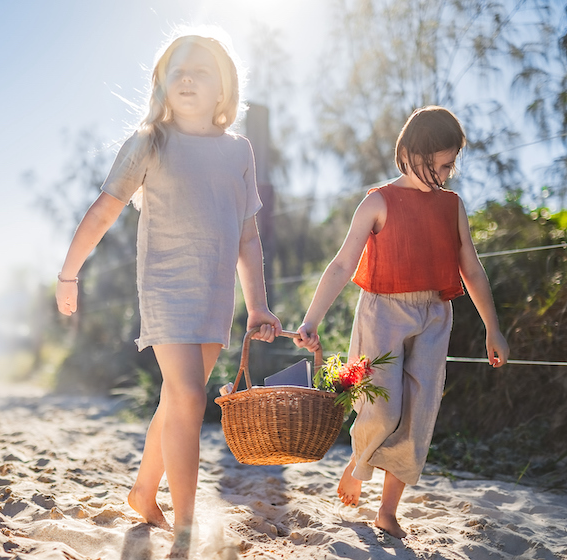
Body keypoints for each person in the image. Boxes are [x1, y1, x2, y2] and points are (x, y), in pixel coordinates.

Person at [55, 29, 282, 552]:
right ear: (160, 82)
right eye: (177, 69)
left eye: (202, 71)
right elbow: (104, 209)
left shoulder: (239, 152)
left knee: (177, 399)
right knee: (188, 396)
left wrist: (259, 305)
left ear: (224, 90)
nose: (188, 78)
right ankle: (184, 524)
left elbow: (248, 238)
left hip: (214, 295)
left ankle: (142, 491)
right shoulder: (149, 142)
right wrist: (69, 273)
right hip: (165, 287)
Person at [294, 106, 509, 539]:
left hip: (434, 315)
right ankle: (359, 464)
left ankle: (387, 509)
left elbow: (472, 267)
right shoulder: (378, 201)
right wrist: (312, 319)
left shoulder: (452, 207)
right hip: (382, 314)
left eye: (452, 165)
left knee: (419, 411)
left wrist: (493, 326)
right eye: (444, 163)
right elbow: (340, 266)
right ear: (413, 153)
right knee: (380, 406)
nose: (449, 173)